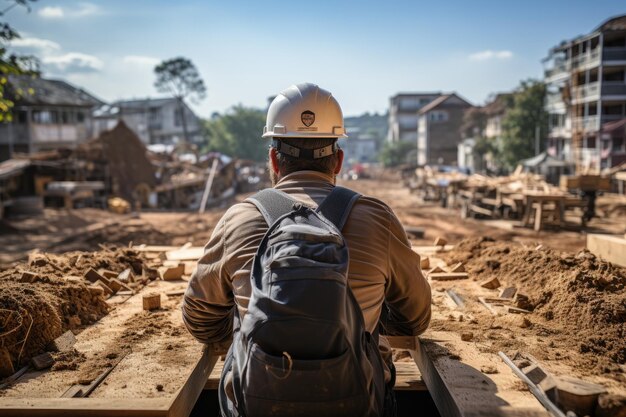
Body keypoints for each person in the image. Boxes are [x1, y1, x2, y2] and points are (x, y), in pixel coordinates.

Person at [182, 82, 431, 416]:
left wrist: (251, 334)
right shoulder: (377, 217)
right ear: (339, 160)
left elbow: (199, 317)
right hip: (358, 401)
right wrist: (364, 331)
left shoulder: (238, 219)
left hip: (256, 403)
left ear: (273, 158)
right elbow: (416, 317)